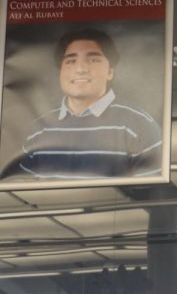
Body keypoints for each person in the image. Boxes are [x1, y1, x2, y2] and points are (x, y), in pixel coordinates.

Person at [18, 28, 162, 180]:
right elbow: (21, 197)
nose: (80, 69)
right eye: (71, 61)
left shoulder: (139, 125)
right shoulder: (37, 129)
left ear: (110, 72)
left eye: (93, 60)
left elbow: (150, 194)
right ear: (61, 71)